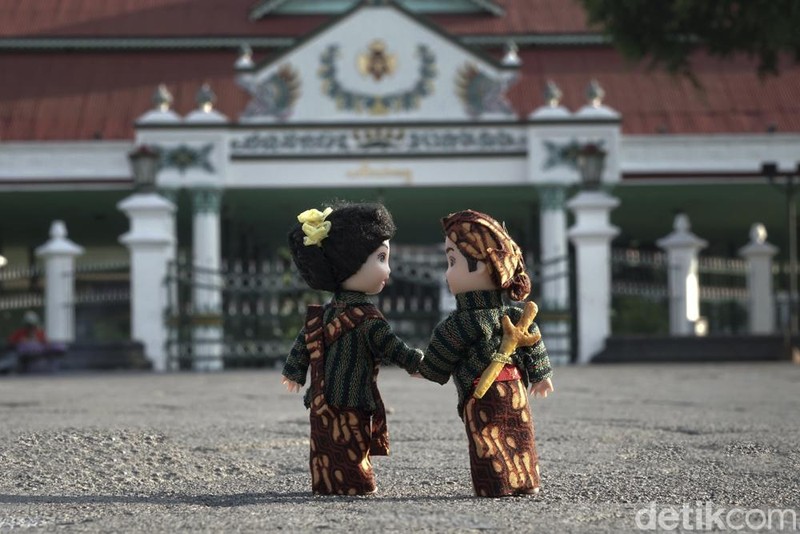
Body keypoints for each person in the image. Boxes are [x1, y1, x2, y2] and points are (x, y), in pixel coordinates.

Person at [281, 202, 423, 496]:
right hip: (353, 396)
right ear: (351, 262)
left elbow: (304, 342)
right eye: (381, 258)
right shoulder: (367, 319)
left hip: (321, 397)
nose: (388, 269)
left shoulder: (326, 315)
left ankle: (327, 481)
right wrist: (415, 362)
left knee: (326, 443)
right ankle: (355, 482)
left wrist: (295, 372)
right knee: (351, 442)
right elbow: (391, 347)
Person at [416, 209, 554, 498]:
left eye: (452, 261)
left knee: (489, 439)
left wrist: (422, 367)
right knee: (518, 433)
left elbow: (439, 359)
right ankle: (525, 479)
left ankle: (497, 483)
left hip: (482, 393)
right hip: (513, 387)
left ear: (480, 266)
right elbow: (533, 343)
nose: (447, 272)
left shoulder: (460, 323)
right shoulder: (513, 315)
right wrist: (540, 375)